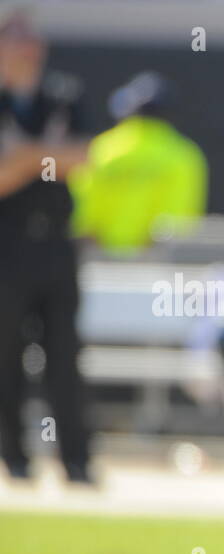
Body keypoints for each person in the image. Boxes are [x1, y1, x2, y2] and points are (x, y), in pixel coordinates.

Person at [0, 8, 92, 484]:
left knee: (64, 355)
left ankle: (76, 461)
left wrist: (26, 155)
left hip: (56, 243)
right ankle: (14, 458)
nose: (27, 49)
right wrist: (46, 154)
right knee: (7, 354)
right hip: (6, 247)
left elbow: (85, 157)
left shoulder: (63, 97)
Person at [69, 71, 207, 253]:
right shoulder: (184, 155)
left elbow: (82, 213)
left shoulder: (101, 149)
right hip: (159, 265)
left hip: (101, 262)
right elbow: (181, 219)